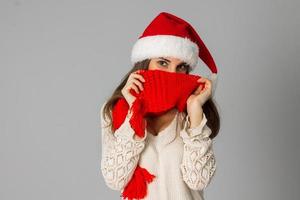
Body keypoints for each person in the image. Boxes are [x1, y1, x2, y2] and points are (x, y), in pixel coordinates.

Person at [100, 12, 220, 200]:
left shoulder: (192, 112)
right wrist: (134, 112)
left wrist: (195, 110)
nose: (172, 74)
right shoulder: (116, 111)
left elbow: (199, 180)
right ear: (145, 63)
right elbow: (115, 179)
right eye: (163, 63)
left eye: (180, 67)